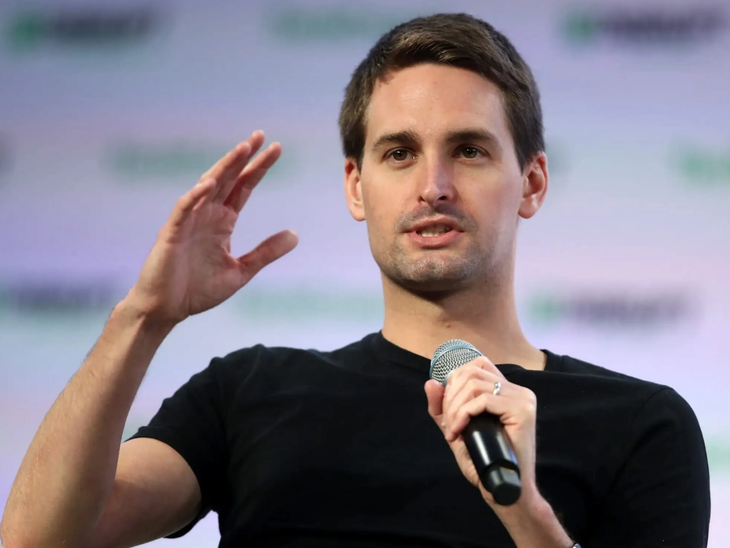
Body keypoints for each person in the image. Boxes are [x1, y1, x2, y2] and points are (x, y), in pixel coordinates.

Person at [0, 12, 710, 548]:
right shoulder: (248, 392)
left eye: (468, 150)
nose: (433, 186)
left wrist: (523, 510)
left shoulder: (641, 423)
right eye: (399, 153)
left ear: (531, 182)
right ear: (355, 187)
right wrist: (142, 318)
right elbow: (38, 540)